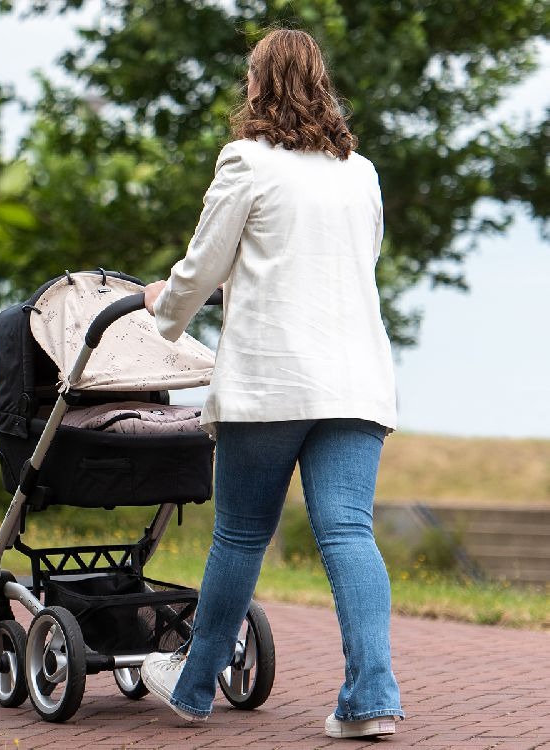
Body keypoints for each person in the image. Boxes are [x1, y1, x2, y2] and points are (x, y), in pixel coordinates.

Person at [139, 28, 404, 740]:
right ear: (322, 84)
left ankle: (193, 690)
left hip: (273, 383)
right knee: (349, 532)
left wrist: (160, 309)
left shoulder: (246, 162)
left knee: (241, 535)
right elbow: (342, 269)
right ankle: (372, 699)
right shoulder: (362, 173)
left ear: (258, 84)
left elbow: (202, 265)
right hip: (355, 382)